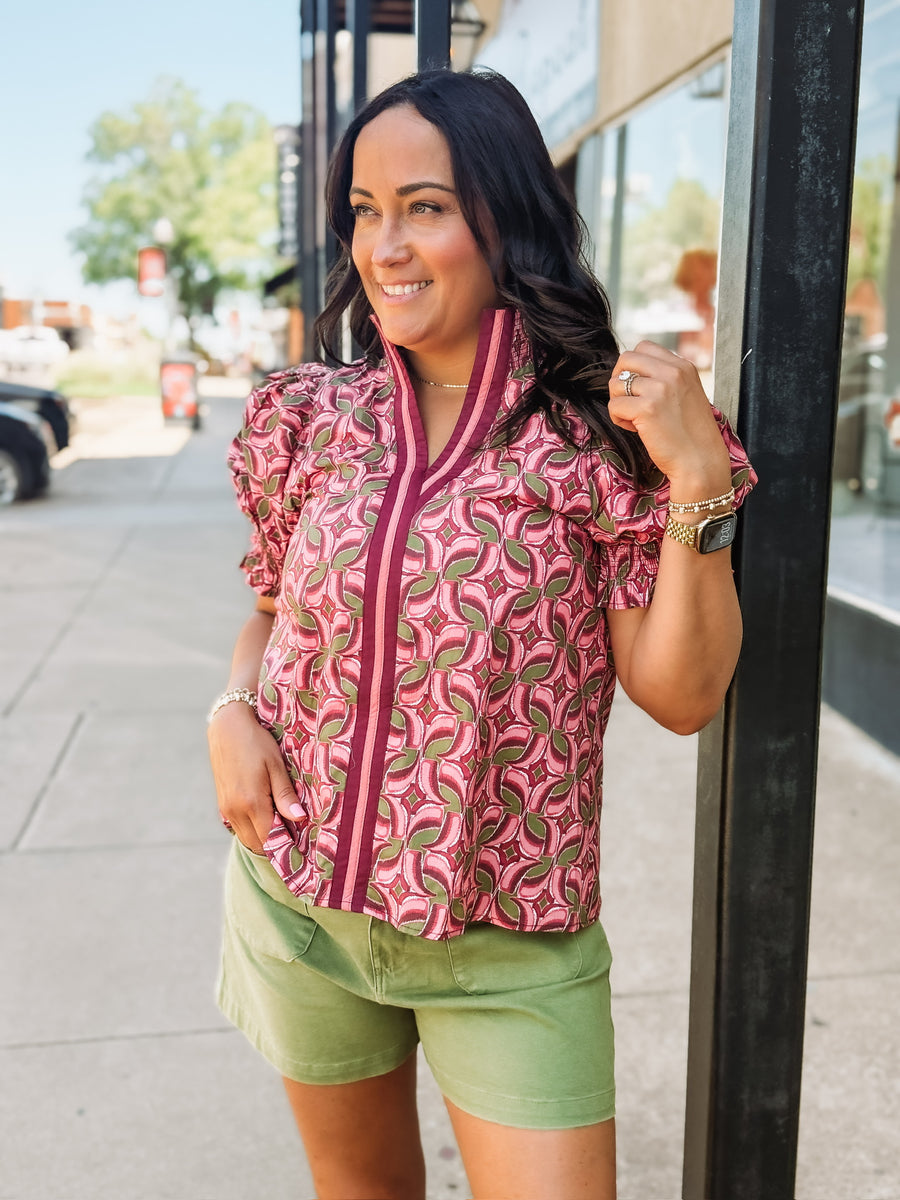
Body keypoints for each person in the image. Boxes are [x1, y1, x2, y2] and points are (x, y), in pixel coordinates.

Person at [208, 68, 755, 1200]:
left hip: (512, 942)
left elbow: (681, 695)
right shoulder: (312, 417)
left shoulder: (599, 438)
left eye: (425, 207)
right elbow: (270, 611)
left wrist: (698, 479)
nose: (385, 248)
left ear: (504, 217)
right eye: (365, 211)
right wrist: (231, 713)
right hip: (299, 908)